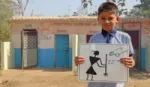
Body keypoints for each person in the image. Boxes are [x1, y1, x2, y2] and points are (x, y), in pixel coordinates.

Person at [74, 1, 135, 87]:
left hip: (115, 84)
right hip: (95, 84)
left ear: (117, 19)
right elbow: (87, 60)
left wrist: (131, 62)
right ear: (98, 19)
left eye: (110, 18)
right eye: (103, 18)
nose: (106, 21)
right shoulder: (93, 39)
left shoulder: (125, 37)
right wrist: (79, 61)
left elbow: (131, 60)